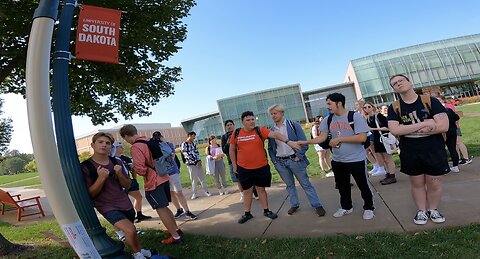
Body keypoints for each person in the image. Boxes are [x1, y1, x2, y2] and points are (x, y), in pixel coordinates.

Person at [299, 93, 375, 220]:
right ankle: (346, 207)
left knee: (363, 185)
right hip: (338, 161)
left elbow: (362, 137)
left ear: (339, 103)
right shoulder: (327, 120)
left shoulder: (354, 116)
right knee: (342, 187)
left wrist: (340, 139)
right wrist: (305, 142)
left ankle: (369, 208)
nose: (327, 107)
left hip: (357, 160)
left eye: (329, 103)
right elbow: (322, 137)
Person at [387, 74, 449, 225]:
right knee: (417, 182)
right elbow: (395, 130)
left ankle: (433, 209)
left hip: (433, 148)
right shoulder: (395, 107)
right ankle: (422, 211)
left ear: (409, 82)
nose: (398, 84)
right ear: (394, 89)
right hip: (410, 150)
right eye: (394, 84)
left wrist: (406, 129)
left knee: (434, 182)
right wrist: (424, 124)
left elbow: (443, 125)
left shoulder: (430, 101)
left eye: (401, 80)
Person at [81, 132, 153, 258]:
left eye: (107, 143)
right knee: (130, 229)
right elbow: (91, 193)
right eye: (100, 142)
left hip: (123, 201)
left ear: (111, 147)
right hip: (106, 205)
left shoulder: (117, 161)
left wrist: (119, 174)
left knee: (131, 230)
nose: (104, 145)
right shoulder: (86, 166)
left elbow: (128, 185)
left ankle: (140, 249)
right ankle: (137, 254)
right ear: (93, 145)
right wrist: (101, 178)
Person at [230, 111, 301, 224]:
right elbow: (232, 149)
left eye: (253, 119)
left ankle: (266, 211)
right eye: (248, 120)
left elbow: (275, 135)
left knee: (261, 190)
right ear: (242, 122)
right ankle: (247, 214)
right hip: (244, 168)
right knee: (247, 191)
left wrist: (288, 142)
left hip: (261, 167)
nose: (251, 121)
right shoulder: (237, 133)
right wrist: (234, 164)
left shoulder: (260, 130)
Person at [119, 125, 183, 245]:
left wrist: (134, 168)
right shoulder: (149, 140)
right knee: (165, 207)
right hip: (164, 176)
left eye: (125, 139)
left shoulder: (136, 147)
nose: (126, 141)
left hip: (153, 182)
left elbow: (141, 169)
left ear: (126, 136)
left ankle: (175, 237)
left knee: (160, 209)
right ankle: (176, 230)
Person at [267, 104, 326, 217]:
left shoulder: (293, 125)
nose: (273, 116)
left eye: (275, 113)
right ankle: (294, 204)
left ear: (282, 113)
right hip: (281, 162)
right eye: (271, 114)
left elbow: (304, 143)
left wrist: (298, 156)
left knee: (305, 184)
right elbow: (270, 148)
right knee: (289, 185)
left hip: (295, 160)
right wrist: (275, 161)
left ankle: (317, 205)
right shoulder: (272, 130)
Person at [152, 131, 198, 220]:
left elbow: (171, 156)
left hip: (172, 171)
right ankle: (179, 209)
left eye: (159, 137)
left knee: (178, 192)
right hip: (163, 173)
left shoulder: (169, 145)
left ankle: (187, 211)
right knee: (171, 193)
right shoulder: (154, 147)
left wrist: (163, 142)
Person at [111, 142, 152, 222]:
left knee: (138, 197)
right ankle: (127, 219)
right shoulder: (112, 160)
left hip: (129, 181)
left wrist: (134, 179)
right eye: (120, 147)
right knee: (125, 201)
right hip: (119, 184)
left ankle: (139, 214)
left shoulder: (126, 158)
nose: (122, 148)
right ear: (115, 148)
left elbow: (132, 170)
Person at [363, 102, 397, 185]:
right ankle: (388, 174)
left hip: (383, 139)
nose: (367, 108)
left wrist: (373, 128)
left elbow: (387, 127)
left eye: (369, 106)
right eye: (365, 107)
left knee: (388, 158)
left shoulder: (378, 116)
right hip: (376, 140)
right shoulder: (368, 118)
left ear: (373, 107)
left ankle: (392, 176)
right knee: (383, 159)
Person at [180, 131, 212, 199]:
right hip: (191, 164)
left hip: (198, 163)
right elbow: (186, 154)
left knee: (202, 178)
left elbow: (196, 152)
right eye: (193, 136)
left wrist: (199, 160)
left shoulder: (194, 143)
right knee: (194, 179)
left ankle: (206, 191)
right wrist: (195, 162)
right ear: (190, 136)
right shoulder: (184, 144)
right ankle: (194, 193)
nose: (194, 137)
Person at [444, 97, 473, 165]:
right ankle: (458, 158)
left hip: (454, 127)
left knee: (458, 142)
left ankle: (466, 158)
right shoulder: (443, 106)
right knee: (454, 143)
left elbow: (455, 116)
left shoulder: (448, 106)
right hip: (449, 127)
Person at [221, 120, 245, 201]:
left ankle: (253, 191)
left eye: (231, 124)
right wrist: (228, 143)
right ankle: (242, 194)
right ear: (226, 127)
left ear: (233, 125)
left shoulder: (239, 132)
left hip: (243, 159)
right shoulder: (224, 137)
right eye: (227, 125)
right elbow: (224, 150)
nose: (229, 126)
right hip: (232, 161)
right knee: (238, 179)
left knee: (247, 176)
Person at [437, 98, 461, 173]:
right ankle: (455, 166)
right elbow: (457, 117)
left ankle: (445, 167)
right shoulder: (449, 110)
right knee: (452, 148)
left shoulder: (436, 113)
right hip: (452, 131)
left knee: (441, 150)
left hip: (442, 132)